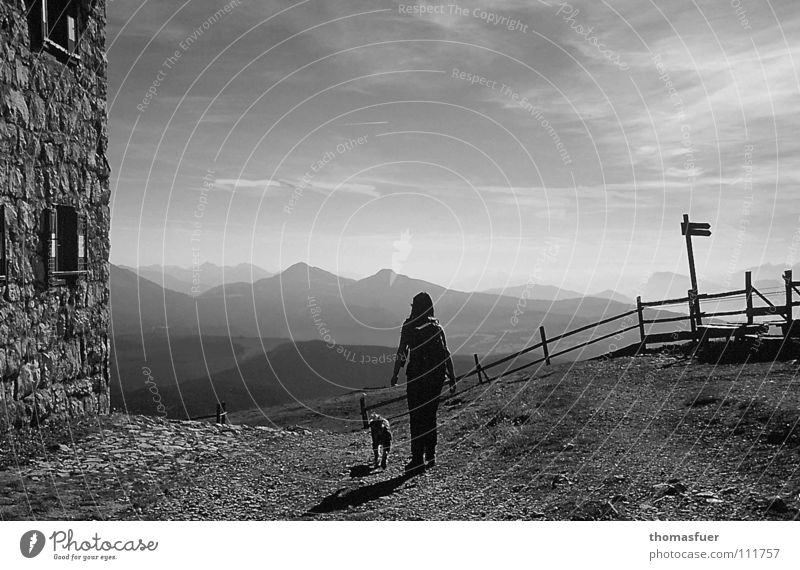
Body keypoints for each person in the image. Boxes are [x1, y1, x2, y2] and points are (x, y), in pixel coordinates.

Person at [390, 292, 456, 473]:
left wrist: (395, 373)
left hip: (416, 377)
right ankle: (431, 453)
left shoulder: (409, 326)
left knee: (416, 416)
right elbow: (446, 353)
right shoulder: (437, 327)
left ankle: (417, 457)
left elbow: (402, 352)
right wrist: (452, 377)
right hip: (435, 378)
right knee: (430, 415)